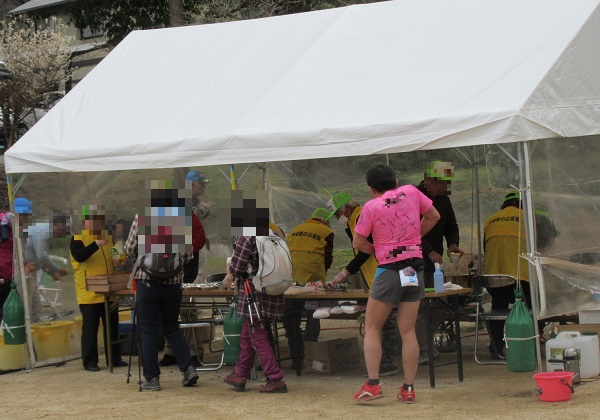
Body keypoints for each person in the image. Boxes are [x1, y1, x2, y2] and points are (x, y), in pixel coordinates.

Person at [352, 163, 440, 403]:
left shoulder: (371, 207)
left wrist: (378, 250)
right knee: (408, 330)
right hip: (414, 268)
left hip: (389, 269)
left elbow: (358, 243)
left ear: (372, 189)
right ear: (396, 181)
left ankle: (373, 384)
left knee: (372, 327)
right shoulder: (411, 192)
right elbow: (434, 216)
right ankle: (408, 389)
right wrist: (414, 237)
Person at [125, 181, 199, 391]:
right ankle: (188, 369)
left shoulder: (143, 218)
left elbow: (129, 248)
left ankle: (152, 378)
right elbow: (188, 254)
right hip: (173, 284)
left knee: (148, 329)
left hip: (146, 282)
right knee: (172, 326)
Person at [327, 192, 399, 376]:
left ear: (348, 208)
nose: (337, 218)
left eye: (337, 214)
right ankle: (386, 361)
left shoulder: (361, 217)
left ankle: (387, 363)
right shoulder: (354, 221)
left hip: (382, 274)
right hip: (378, 276)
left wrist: (345, 272)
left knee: (384, 322)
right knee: (384, 321)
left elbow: (366, 251)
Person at [222, 193, 288, 393]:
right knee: (248, 333)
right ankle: (240, 374)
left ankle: (275, 377)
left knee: (257, 334)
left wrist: (228, 278)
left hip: (253, 293)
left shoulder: (246, 236)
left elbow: (237, 267)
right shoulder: (271, 234)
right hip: (271, 288)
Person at [483, 190, 546, 358]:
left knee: (498, 308)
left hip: (495, 278)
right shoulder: (527, 219)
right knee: (537, 306)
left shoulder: (490, 220)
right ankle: (535, 342)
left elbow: (485, 248)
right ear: (521, 205)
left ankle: (496, 346)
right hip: (521, 277)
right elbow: (539, 248)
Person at [415, 161, 464, 365]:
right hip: (414, 260)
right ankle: (419, 348)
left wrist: (452, 244)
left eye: (446, 184)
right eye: (439, 183)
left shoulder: (443, 200)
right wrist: (429, 251)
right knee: (416, 306)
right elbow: (410, 230)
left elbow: (451, 224)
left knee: (438, 304)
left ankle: (425, 343)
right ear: (428, 180)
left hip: (434, 265)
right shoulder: (413, 197)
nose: (443, 188)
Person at [70, 204, 127, 372]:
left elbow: (119, 255)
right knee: (90, 327)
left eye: (99, 219)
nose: (96, 223)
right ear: (85, 221)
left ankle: (114, 358)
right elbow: (79, 256)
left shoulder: (109, 236)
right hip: (88, 291)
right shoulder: (78, 237)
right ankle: (89, 361)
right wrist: (95, 244)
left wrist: (120, 260)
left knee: (112, 326)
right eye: (92, 220)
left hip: (109, 290)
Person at [284, 207, 334, 369]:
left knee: (292, 316)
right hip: (313, 279)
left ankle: (296, 356)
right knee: (314, 314)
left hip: (293, 278)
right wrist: (322, 279)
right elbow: (328, 257)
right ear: (326, 220)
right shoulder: (327, 231)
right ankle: (310, 349)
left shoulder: (296, 229)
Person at [159, 205, 207, 367]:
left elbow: (200, 238)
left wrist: (183, 250)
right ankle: (170, 351)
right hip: (165, 270)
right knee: (167, 312)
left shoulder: (188, 216)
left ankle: (194, 352)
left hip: (186, 269)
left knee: (187, 309)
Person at [23, 209, 69, 323]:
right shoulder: (42, 231)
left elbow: (38, 257)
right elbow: (42, 257)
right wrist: (57, 269)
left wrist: (51, 273)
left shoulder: (45, 232)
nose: (65, 232)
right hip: (25, 272)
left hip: (33, 272)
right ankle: (27, 337)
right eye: (65, 228)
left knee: (36, 308)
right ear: (57, 224)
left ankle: (36, 335)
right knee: (27, 308)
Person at [186, 170, 210, 281]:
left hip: (194, 243)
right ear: (192, 184)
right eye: (201, 183)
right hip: (191, 244)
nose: (204, 187)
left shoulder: (194, 200)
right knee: (197, 276)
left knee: (198, 274)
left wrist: (204, 209)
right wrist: (203, 209)